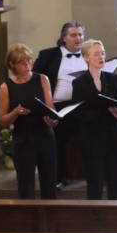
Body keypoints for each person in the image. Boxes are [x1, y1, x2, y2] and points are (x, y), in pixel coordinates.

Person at [0, 44, 57, 199]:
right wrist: (16, 112)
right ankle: (28, 219)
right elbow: (3, 121)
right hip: (23, 138)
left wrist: (53, 120)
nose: (28, 65)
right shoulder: (6, 87)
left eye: (30, 61)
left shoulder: (42, 79)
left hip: (45, 136)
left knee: (49, 181)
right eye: (23, 62)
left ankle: (50, 218)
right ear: (12, 65)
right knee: (25, 184)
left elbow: (51, 110)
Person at [33, 21, 87, 189]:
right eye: (73, 35)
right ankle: (56, 178)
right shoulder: (49, 55)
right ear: (64, 38)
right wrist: (46, 109)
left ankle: (94, 174)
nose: (78, 38)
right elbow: (35, 81)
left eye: (80, 34)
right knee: (56, 139)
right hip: (57, 106)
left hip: (83, 106)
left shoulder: (89, 53)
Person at [71, 39, 117, 200]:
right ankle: (95, 217)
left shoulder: (112, 79)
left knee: (116, 181)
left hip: (113, 136)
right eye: (96, 54)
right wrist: (104, 109)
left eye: (102, 53)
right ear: (86, 57)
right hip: (92, 138)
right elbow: (79, 114)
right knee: (94, 182)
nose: (101, 57)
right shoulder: (79, 83)